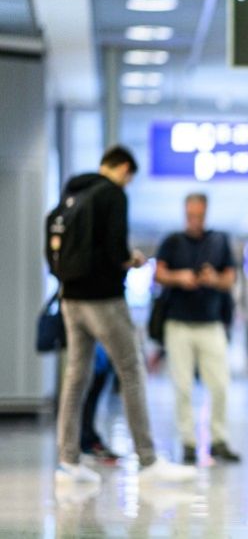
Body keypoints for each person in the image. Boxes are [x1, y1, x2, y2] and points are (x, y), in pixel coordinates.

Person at [56, 145, 196, 485]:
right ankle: (148, 460)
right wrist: (132, 259)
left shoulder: (73, 193)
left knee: (75, 377)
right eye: (128, 177)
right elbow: (115, 249)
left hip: (70, 298)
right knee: (132, 370)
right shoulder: (112, 194)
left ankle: (67, 461)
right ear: (123, 169)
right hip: (103, 299)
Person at [154, 193, 240, 464]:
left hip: (211, 323)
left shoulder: (219, 241)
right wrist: (179, 277)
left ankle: (218, 439)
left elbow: (230, 279)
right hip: (178, 323)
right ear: (185, 213)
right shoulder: (172, 241)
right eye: (190, 215)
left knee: (220, 384)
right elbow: (158, 273)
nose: (195, 220)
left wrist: (213, 279)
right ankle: (188, 442)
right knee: (182, 386)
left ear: (205, 213)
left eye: (199, 215)